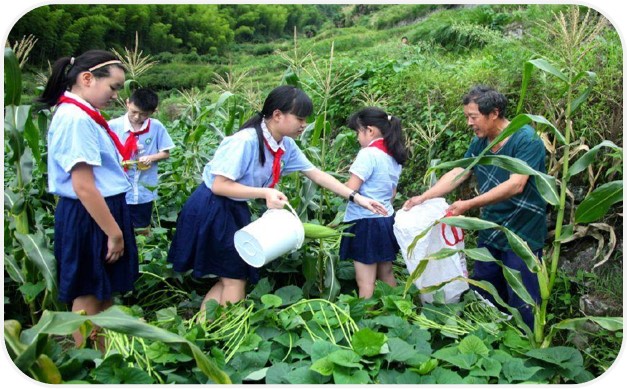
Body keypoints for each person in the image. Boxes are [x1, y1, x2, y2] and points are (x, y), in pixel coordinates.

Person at [168, 85, 388, 314]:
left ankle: (204, 329)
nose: (304, 125)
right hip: (212, 208)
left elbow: (315, 173)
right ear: (277, 115)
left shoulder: (286, 145)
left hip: (233, 209)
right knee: (235, 276)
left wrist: (356, 197)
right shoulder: (244, 141)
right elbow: (219, 185)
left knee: (231, 275)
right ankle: (221, 335)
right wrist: (264, 193)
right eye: (300, 118)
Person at [403, 85, 547, 329]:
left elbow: (516, 185)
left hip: (521, 233)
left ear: (494, 113)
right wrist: (423, 198)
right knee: (486, 289)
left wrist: (468, 204)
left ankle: (528, 347)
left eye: (473, 117)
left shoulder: (525, 139)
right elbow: (460, 171)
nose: (469, 123)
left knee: (523, 297)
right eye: (467, 117)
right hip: (490, 228)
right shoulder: (481, 142)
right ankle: (494, 339)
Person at [37, 50, 139, 350]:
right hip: (91, 215)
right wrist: (114, 232)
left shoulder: (83, 116)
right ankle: (89, 363)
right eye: (114, 87)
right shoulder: (76, 119)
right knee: (88, 293)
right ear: (87, 78)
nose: (116, 96)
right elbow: (84, 187)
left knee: (101, 289)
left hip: (99, 213)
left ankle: (103, 356)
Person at [340, 107, 407, 298]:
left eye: (357, 132)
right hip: (385, 220)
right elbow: (392, 193)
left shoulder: (368, 154)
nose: (357, 137)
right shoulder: (394, 156)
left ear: (370, 131)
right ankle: (399, 312)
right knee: (386, 273)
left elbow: (351, 188)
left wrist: (337, 185)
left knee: (365, 281)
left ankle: (363, 321)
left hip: (365, 222)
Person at [109, 88, 174, 234]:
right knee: (119, 229)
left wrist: (151, 157)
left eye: (143, 114)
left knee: (142, 228)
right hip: (118, 189)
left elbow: (165, 153)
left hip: (144, 189)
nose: (137, 117)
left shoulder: (156, 127)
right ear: (127, 103)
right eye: (134, 112)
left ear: (153, 112)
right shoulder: (113, 126)